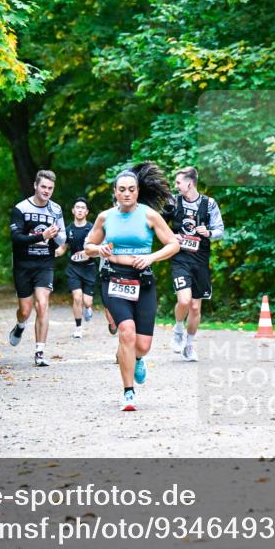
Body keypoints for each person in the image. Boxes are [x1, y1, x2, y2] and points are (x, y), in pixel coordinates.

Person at [83, 162, 179, 411]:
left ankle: (135, 358)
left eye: (132, 189)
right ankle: (128, 393)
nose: (127, 193)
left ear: (137, 191)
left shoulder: (149, 215)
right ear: (115, 191)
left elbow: (173, 244)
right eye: (122, 189)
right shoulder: (105, 217)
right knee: (126, 331)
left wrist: (151, 257)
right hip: (113, 279)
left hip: (143, 280)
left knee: (143, 345)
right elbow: (88, 247)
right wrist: (99, 249)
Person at [8, 170, 66, 367]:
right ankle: (20, 325)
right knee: (25, 310)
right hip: (23, 265)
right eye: (43, 187)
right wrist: (42, 236)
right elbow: (16, 239)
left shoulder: (56, 209)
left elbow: (63, 238)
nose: (46, 191)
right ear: (35, 185)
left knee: (42, 304)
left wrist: (56, 234)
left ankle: (40, 351)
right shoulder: (21, 209)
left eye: (50, 188)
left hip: (44, 263)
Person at [168, 166, 225, 362]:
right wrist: (171, 236)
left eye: (178, 182)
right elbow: (157, 224)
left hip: (200, 260)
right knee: (184, 300)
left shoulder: (209, 204)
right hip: (180, 258)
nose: (176, 185)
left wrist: (208, 232)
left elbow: (220, 230)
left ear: (189, 183)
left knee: (195, 308)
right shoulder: (173, 202)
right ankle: (177, 330)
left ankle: (189, 346)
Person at [56, 197, 97, 339]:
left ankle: (87, 307)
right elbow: (62, 248)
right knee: (77, 297)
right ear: (73, 210)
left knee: (87, 301)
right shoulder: (68, 230)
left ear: (86, 212)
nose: (80, 210)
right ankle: (78, 328)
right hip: (73, 268)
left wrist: (87, 252)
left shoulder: (92, 229)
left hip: (89, 268)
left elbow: (98, 249)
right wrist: (54, 253)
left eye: (82, 208)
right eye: (77, 207)